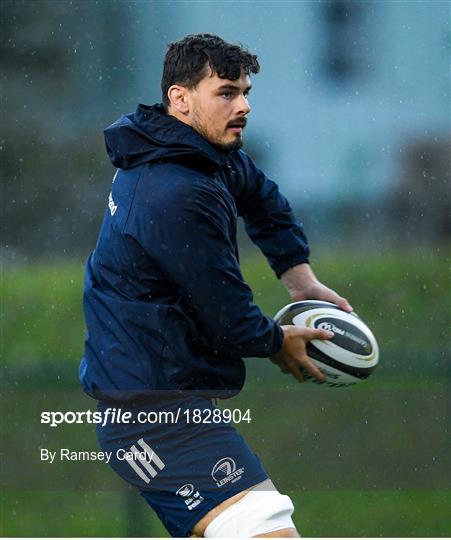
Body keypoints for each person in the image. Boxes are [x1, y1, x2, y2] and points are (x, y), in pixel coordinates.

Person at [79, 33, 352, 538]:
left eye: (246, 91)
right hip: (153, 422)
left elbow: (261, 196)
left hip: (173, 410)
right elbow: (226, 313)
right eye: (226, 92)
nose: (243, 105)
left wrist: (300, 278)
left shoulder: (201, 154)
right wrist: (276, 343)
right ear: (179, 99)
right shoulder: (173, 190)